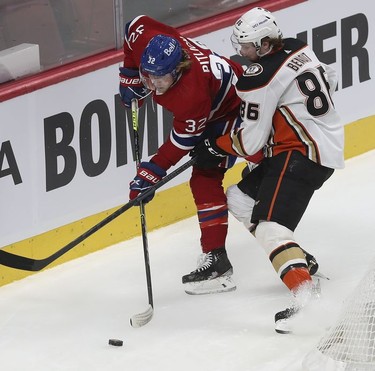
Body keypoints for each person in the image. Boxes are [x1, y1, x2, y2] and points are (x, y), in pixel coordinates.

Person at [192, 7, 344, 332]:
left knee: (271, 228)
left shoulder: (259, 77)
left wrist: (213, 146)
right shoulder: (297, 46)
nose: (241, 51)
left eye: (246, 46)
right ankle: (298, 258)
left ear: (262, 45)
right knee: (240, 198)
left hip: (301, 153)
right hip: (320, 143)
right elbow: (330, 77)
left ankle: (305, 294)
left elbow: (250, 143)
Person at [118, 15, 263, 295]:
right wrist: (129, 74)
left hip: (237, 110)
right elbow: (133, 27)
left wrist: (150, 173)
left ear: (178, 69)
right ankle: (219, 256)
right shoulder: (146, 39)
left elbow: (182, 141)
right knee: (207, 177)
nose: (153, 84)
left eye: (159, 78)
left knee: (206, 175)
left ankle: (224, 261)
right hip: (217, 105)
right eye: (148, 76)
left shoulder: (190, 94)